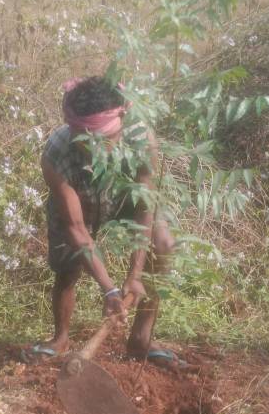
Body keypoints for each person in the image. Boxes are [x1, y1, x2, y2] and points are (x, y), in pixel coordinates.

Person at [21, 75, 186, 368]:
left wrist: (135, 275)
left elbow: (144, 206)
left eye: (105, 139)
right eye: (87, 142)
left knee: (163, 244)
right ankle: (60, 339)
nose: (96, 150)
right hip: (79, 199)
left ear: (120, 123)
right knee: (67, 266)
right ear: (74, 131)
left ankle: (141, 339)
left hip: (124, 197)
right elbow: (75, 228)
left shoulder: (141, 139)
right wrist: (109, 289)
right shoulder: (56, 153)